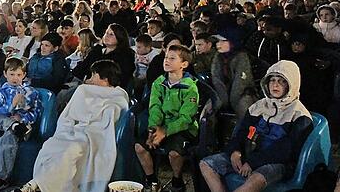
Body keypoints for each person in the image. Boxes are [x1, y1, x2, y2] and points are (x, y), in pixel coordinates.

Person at [200, 60, 313, 192]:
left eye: (281, 81)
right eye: (272, 80)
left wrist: (253, 162)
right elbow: (241, 132)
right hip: (248, 155)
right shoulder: (258, 107)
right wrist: (235, 151)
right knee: (206, 164)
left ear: (291, 84)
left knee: (255, 179)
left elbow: (286, 149)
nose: (275, 85)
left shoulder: (299, 115)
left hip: (277, 163)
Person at [22, 60, 129, 192]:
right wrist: (74, 127)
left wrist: (87, 125)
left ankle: (37, 185)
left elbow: (107, 124)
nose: (90, 79)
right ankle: (44, 185)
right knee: (51, 146)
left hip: (94, 137)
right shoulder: (84, 90)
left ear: (105, 78)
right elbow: (70, 115)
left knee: (70, 151)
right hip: (73, 131)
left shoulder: (118, 96)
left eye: (93, 75)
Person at [134, 45, 199, 192]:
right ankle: (152, 181)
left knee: (174, 153)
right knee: (140, 147)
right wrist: (153, 128)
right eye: (166, 58)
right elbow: (155, 107)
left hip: (182, 128)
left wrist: (165, 131)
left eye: (172, 58)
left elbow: (186, 118)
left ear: (184, 64)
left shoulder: (190, 87)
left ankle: (177, 180)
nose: (166, 61)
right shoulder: (159, 82)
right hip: (161, 126)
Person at [0, 57, 42, 191]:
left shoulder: (31, 92)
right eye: (11, 74)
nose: (15, 78)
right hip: (2, 125)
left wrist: (22, 119)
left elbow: (35, 112)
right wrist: (11, 107)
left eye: (18, 74)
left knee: (10, 134)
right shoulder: (1, 92)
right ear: (5, 74)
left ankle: (0, 178)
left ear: (24, 75)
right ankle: (12, 125)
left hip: (23, 129)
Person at [211, 29, 257, 117]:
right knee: (208, 110)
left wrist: (232, 102)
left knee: (244, 108)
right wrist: (223, 100)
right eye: (217, 41)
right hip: (224, 93)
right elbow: (217, 80)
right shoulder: (218, 57)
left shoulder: (242, 57)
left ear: (232, 42)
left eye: (222, 41)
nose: (218, 44)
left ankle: (245, 130)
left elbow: (240, 83)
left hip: (242, 93)